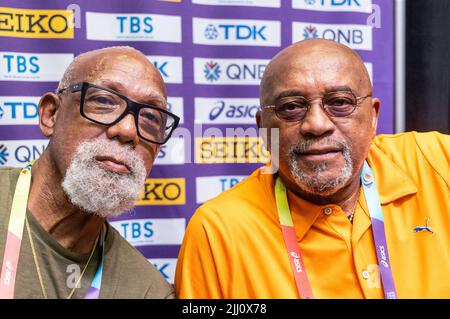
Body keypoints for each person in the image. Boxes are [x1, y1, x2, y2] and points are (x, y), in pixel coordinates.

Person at [175, 39, 450, 299]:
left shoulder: (436, 161)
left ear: (373, 117)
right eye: (292, 107)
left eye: (340, 102)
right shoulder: (219, 231)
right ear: (263, 129)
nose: (317, 124)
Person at [0, 46, 180, 299]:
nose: (128, 131)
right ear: (51, 114)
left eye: (150, 118)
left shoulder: (147, 291)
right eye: (104, 101)